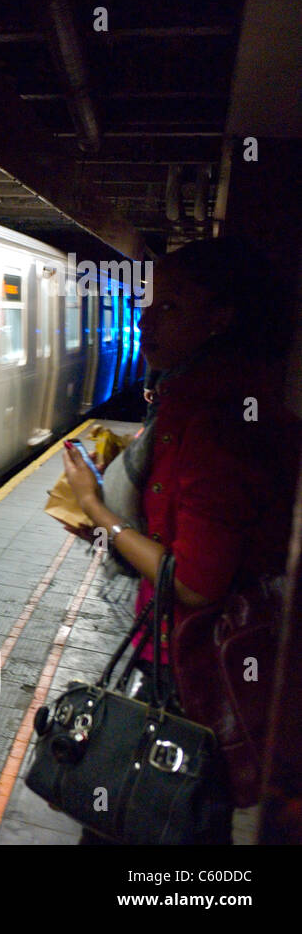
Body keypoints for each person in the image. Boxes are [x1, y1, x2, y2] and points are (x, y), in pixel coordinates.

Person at [61, 237, 298, 844]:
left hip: (193, 668)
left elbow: (192, 581)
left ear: (221, 318)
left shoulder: (217, 424)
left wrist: (97, 507)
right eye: (148, 303)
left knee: (146, 820)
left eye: (169, 307)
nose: (144, 320)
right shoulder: (205, 401)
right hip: (177, 657)